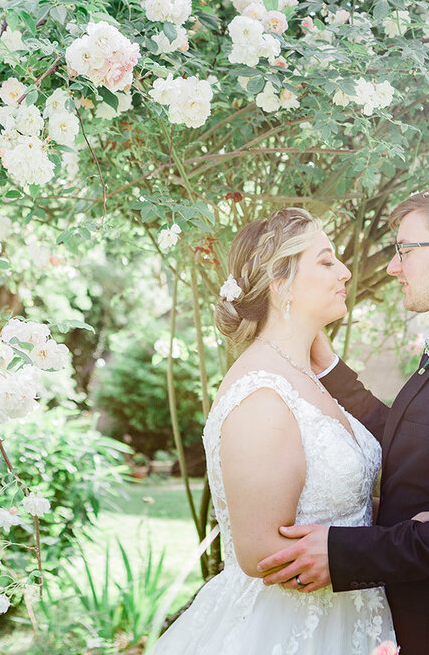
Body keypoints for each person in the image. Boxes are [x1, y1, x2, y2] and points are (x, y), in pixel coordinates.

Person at [256, 183, 429, 655]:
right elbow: (412, 439)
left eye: (404, 250)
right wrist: (330, 371)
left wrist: (341, 553)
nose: (392, 266)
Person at [150, 207, 396, 652]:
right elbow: (266, 555)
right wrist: (401, 551)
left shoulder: (307, 378)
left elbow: (343, 506)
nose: (343, 271)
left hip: (353, 616)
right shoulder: (262, 396)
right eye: (325, 261)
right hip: (289, 630)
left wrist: (425, 534)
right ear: (279, 283)